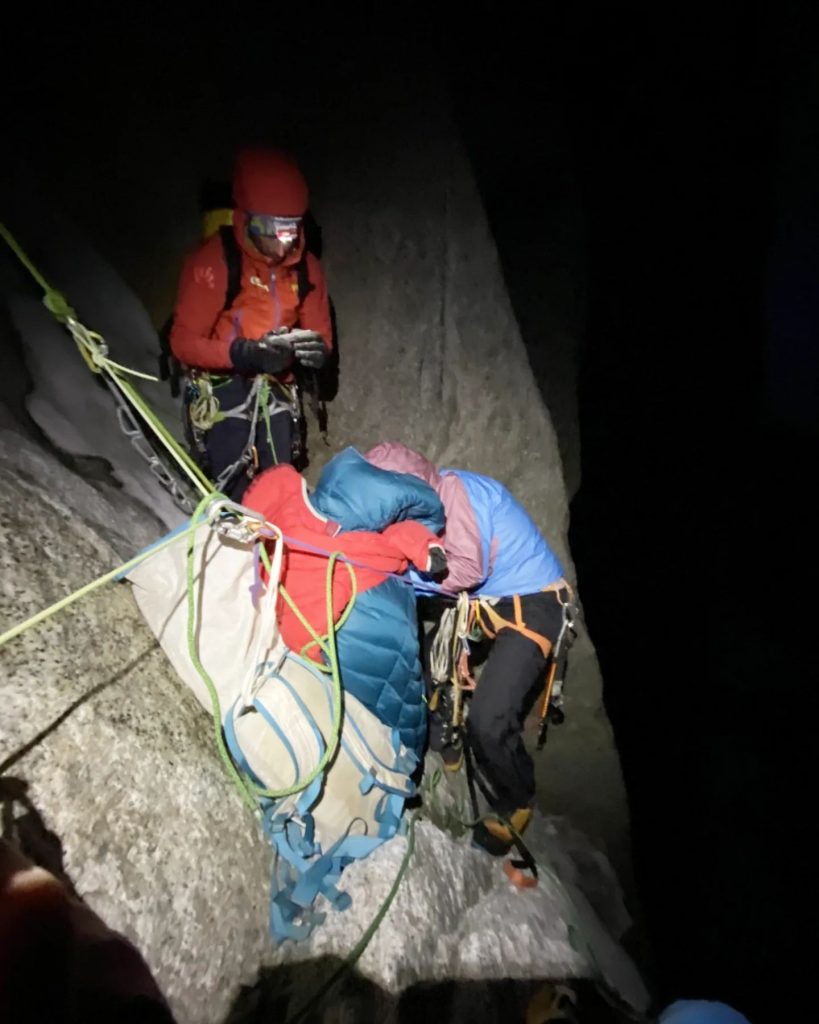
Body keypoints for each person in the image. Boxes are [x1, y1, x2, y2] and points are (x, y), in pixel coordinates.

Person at [364, 441, 575, 857]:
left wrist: (401, 577)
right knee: (428, 659)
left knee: (490, 718)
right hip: (491, 603)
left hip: (537, 606)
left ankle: (517, 800)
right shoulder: (436, 502)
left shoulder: (454, 491)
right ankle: (447, 738)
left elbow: (467, 570)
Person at [169, 147, 333, 499]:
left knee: (279, 486)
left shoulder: (307, 269)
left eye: (289, 230)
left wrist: (317, 352)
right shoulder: (217, 260)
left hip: (275, 387)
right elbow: (182, 341)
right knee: (232, 477)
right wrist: (243, 353)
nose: (280, 242)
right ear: (246, 219)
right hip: (223, 382)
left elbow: (321, 335)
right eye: (268, 229)